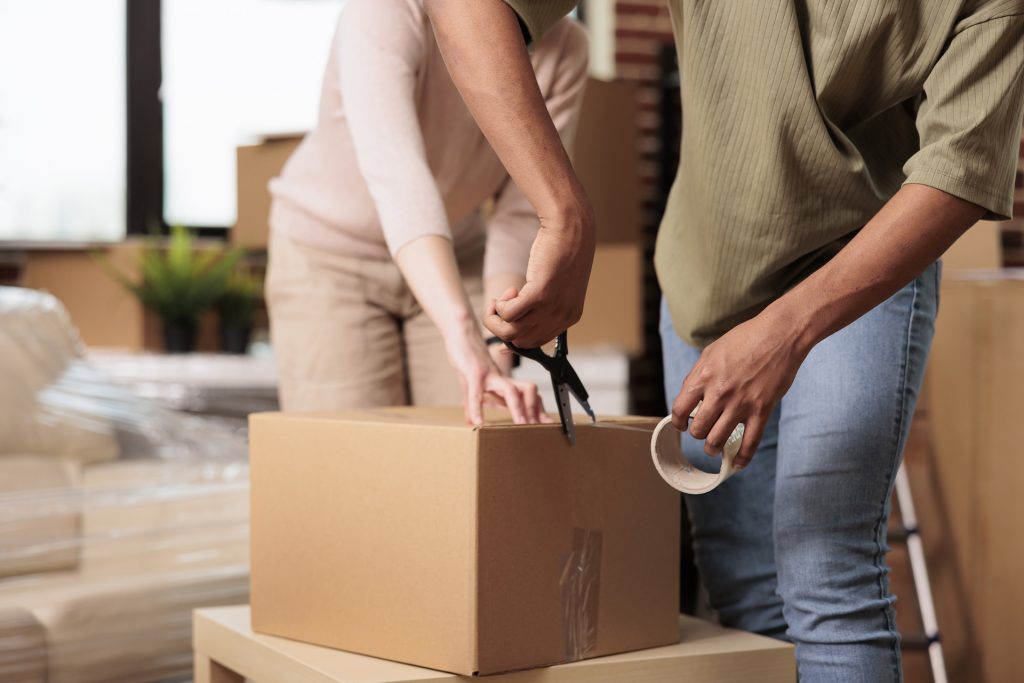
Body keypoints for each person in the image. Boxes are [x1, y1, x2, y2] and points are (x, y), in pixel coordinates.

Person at [421, 1, 1024, 680]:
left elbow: (961, 164)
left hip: (862, 263)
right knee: (741, 584)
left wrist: (783, 335)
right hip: (709, 271)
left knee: (826, 574)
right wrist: (565, 212)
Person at [265, 0, 589, 425]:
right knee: (351, 450)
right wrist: (461, 330)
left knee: (476, 425)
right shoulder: (385, 9)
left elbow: (523, 210)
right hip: (330, 258)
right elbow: (397, 173)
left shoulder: (566, 49)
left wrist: (497, 341)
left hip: (457, 255)